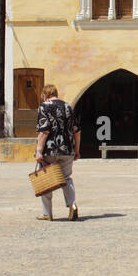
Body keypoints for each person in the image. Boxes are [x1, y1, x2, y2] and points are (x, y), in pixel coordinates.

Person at [35, 83, 81, 222]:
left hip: (50, 149)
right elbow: (77, 131)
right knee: (66, 178)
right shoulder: (68, 106)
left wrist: (38, 151)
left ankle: (47, 213)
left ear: (44, 95)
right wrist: (77, 150)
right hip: (67, 149)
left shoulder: (44, 107)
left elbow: (44, 131)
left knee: (46, 180)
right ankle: (71, 204)